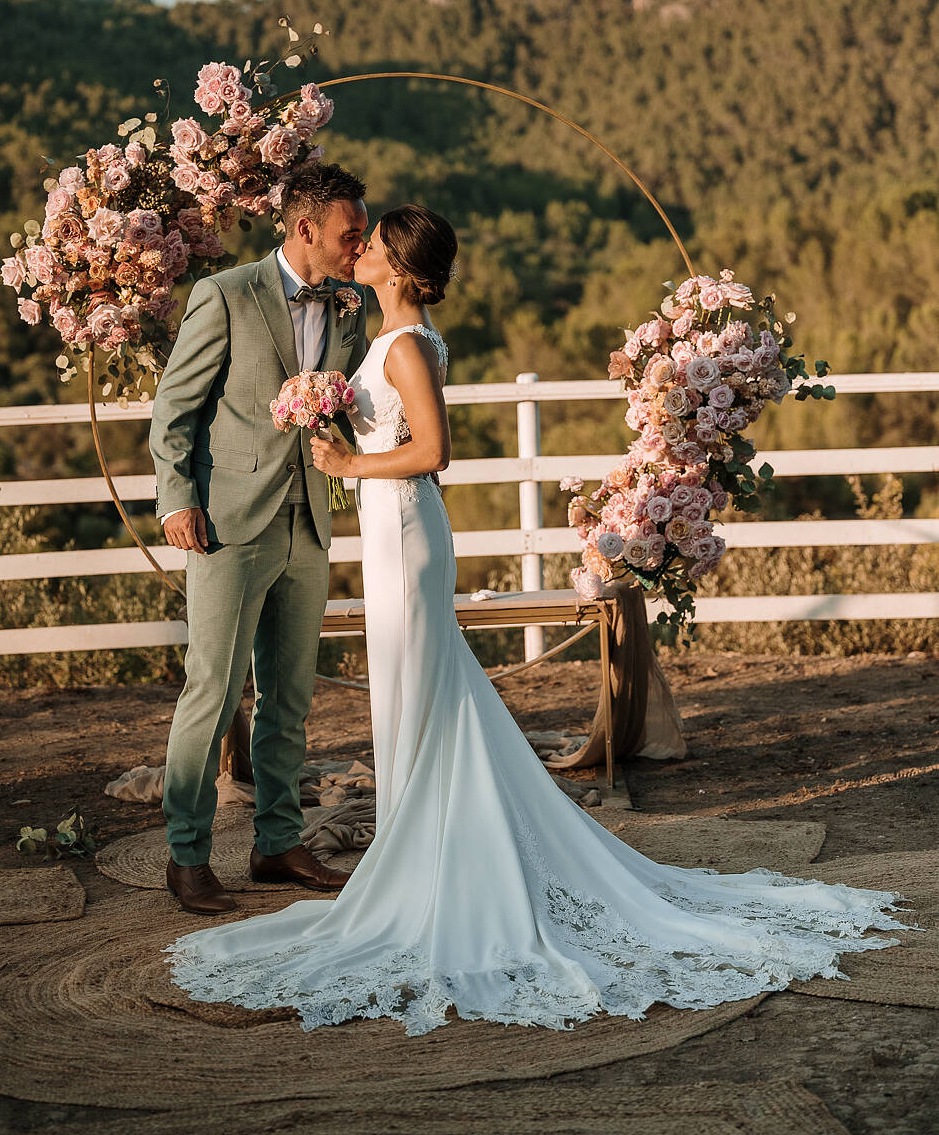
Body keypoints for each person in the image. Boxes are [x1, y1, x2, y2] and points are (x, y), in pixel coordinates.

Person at [166, 203, 905, 1033]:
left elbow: (435, 452)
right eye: (357, 238)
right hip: (385, 524)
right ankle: (427, 848)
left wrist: (346, 459)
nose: (358, 249)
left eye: (371, 244)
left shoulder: (404, 346)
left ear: (401, 270)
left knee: (419, 682)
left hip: (404, 522)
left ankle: (427, 866)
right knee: (416, 686)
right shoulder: (379, 336)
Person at [149, 163, 368, 915]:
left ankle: (278, 841)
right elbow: (174, 409)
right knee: (211, 691)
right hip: (227, 524)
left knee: (291, 696)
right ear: (304, 229)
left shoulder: (351, 306)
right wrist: (177, 498)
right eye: (350, 233)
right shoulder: (225, 295)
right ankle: (187, 859)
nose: (359, 244)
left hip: (309, 518)